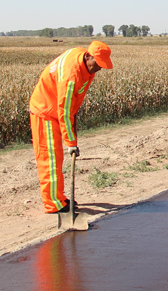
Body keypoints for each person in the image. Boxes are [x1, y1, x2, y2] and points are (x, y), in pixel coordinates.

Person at [29, 41, 113, 214]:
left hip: (55, 109)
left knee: (55, 158)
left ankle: (58, 197)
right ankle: (53, 203)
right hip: (46, 111)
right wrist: (71, 143)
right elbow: (64, 110)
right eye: (97, 64)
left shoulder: (83, 60)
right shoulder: (70, 76)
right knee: (51, 158)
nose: (98, 69)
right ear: (88, 56)